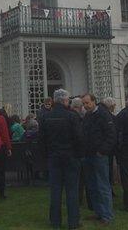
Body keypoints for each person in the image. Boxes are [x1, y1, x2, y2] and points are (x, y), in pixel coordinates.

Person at [39, 89, 85, 229]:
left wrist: (46, 155)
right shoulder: (72, 116)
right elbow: (79, 138)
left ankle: (55, 222)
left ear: (53, 100)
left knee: (55, 190)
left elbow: (42, 140)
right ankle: (73, 222)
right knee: (72, 190)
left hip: (54, 157)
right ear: (65, 100)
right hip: (70, 157)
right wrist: (79, 154)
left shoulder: (46, 116)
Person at [82, 93, 117, 225]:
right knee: (92, 186)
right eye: (84, 104)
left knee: (102, 185)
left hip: (98, 155)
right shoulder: (87, 115)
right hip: (88, 154)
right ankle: (98, 212)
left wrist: (102, 151)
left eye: (87, 103)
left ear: (94, 101)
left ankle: (107, 215)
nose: (85, 106)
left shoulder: (103, 114)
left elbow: (111, 135)